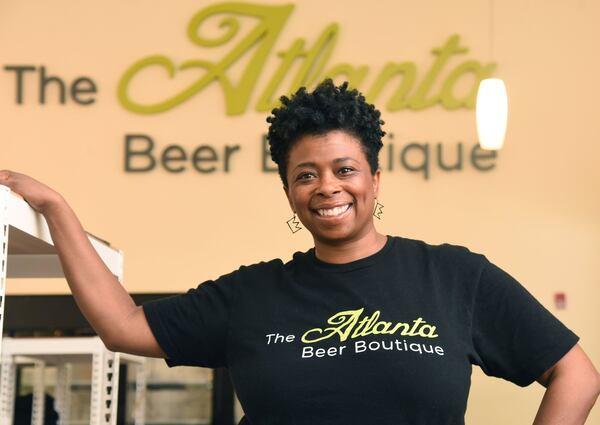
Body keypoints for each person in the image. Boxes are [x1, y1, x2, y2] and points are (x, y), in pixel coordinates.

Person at [1, 79, 599, 425]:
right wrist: (58, 212)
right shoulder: (254, 294)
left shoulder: (454, 277)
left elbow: (575, 372)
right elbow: (122, 326)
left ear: (375, 177)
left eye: (345, 169)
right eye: (305, 175)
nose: (327, 187)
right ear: (288, 190)